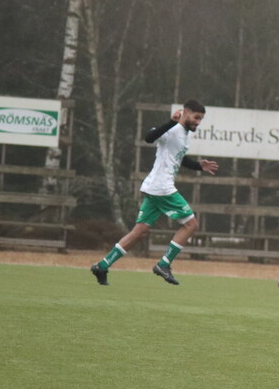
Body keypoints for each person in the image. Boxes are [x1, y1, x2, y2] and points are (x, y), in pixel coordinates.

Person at [90, 100, 218, 286]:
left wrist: (199, 165)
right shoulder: (173, 129)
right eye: (196, 117)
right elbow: (149, 138)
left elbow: (178, 158)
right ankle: (164, 264)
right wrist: (171, 122)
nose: (198, 122)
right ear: (185, 113)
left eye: (201, 119)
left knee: (139, 231)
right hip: (162, 187)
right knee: (191, 225)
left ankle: (102, 266)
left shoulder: (184, 134)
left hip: (154, 188)